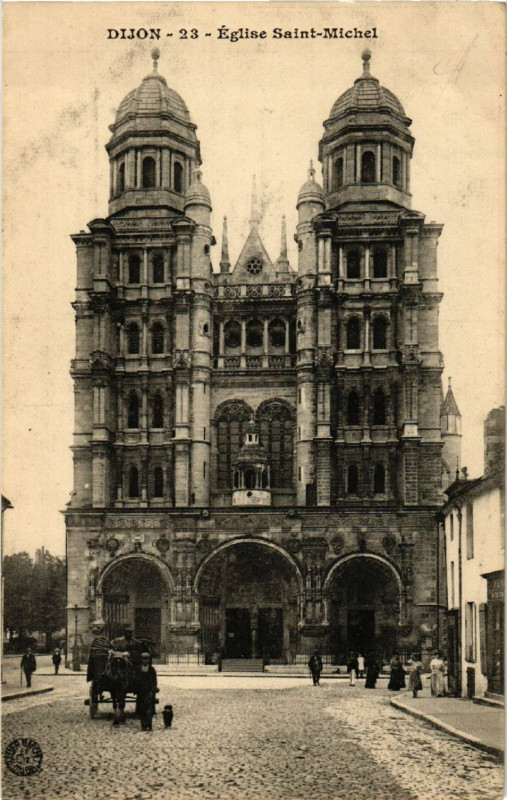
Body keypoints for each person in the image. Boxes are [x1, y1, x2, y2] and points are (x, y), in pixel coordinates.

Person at [135, 652, 158, 731]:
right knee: (142, 709)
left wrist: (152, 690)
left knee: (149, 709)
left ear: (149, 660)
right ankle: (143, 725)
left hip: (149, 692)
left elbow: (154, 681)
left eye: (147, 659)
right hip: (141, 692)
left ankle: (149, 724)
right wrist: (137, 689)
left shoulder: (152, 669)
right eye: (144, 659)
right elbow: (136, 679)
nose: (145, 661)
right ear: (141, 660)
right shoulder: (138, 669)